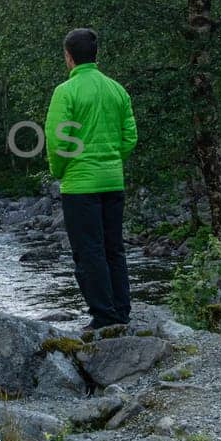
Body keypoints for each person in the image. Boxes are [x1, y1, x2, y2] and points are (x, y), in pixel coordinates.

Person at [45, 27, 138, 330]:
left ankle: (103, 315)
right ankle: (121, 310)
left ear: (68, 57)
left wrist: (60, 171)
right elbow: (130, 137)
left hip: (80, 185)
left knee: (89, 251)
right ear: (95, 55)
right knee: (114, 248)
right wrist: (112, 159)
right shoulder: (116, 89)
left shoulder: (66, 92)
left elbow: (58, 141)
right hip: (113, 181)